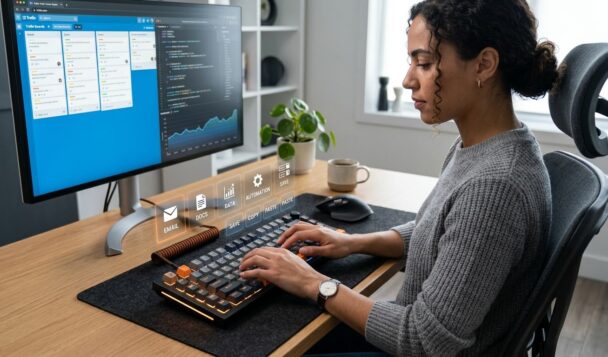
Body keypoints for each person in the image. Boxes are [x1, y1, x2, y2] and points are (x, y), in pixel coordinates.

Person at [239, 0, 558, 355]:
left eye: (424, 63)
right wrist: (352, 242)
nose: (408, 79)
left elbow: (423, 340)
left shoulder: (495, 186)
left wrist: (315, 282)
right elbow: (441, 230)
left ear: (483, 64)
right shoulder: (488, 146)